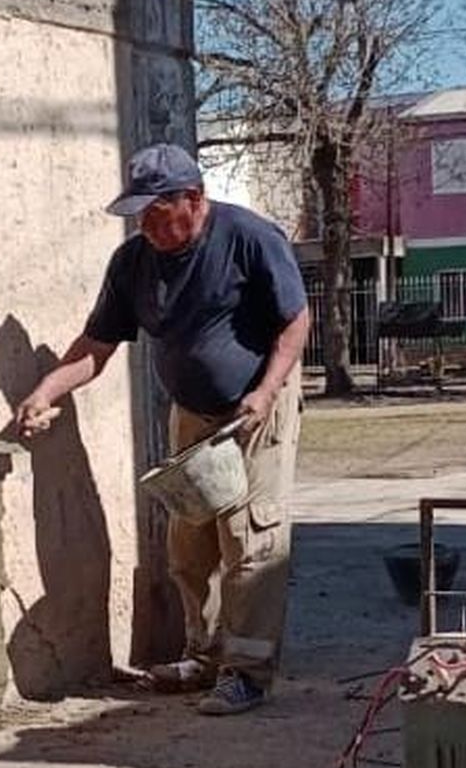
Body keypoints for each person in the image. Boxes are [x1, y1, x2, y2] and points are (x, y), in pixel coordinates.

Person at [16, 143, 311, 716]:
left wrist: (267, 390)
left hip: (256, 407)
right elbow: (96, 345)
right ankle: (203, 656)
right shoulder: (133, 263)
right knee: (188, 539)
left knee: (250, 539)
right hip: (194, 413)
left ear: (193, 199)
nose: (146, 225)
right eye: (139, 213)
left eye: (156, 211)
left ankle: (246, 672)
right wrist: (46, 391)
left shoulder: (249, 238)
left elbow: (295, 320)